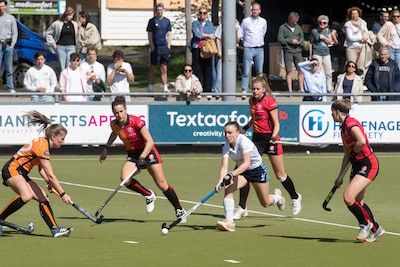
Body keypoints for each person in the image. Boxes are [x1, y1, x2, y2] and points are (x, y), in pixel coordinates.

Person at [99, 95, 186, 220]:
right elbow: (115, 133)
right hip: (133, 154)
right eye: (116, 113)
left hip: (147, 151)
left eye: (121, 111)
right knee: (125, 179)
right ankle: (149, 195)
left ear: (126, 109)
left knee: (161, 184)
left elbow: (150, 141)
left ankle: (179, 209)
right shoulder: (114, 124)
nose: (119, 115)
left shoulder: (136, 121)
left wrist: (142, 158)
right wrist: (106, 147)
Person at [235, 77, 302, 220]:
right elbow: (254, 118)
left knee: (280, 174)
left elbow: (277, 123)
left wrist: (273, 136)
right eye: (253, 89)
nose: (255, 91)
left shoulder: (270, 102)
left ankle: (295, 197)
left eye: (258, 89)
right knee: (245, 170)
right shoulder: (252, 101)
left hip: (271, 138)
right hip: (257, 139)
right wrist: (245, 128)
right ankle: (242, 207)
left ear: (264, 89)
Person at [0, 110, 73, 237]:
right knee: (26, 195)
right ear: (53, 137)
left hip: (21, 173)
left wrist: (48, 183)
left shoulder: (44, 145)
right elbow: (51, 175)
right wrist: (63, 194)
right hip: (12, 169)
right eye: (62, 139)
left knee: (43, 197)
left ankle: (55, 229)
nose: (63, 141)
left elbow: (41, 169)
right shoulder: (42, 146)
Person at [215, 121, 285, 232]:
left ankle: (278, 198)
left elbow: (247, 163)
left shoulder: (244, 142)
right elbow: (224, 167)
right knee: (228, 187)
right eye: (225, 133)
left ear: (237, 132)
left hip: (257, 171)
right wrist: (220, 181)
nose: (227, 135)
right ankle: (229, 223)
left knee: (265, 202)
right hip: (243, 172)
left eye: (230, 132)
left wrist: (232, 174)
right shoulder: (226, 147)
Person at [331, 99, 384, 243]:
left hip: (368, 163)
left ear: (337, 112)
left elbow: (361, 141)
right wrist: (340, 176)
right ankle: (376, 230)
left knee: (348, 197)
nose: (331, 115)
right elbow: (347, 154)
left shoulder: (350, 123)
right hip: (357, 165)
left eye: (332, 112)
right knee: (358, 201)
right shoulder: (343, 129)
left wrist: (355, 151)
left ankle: (365, 224)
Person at [240, 2, 267, 96]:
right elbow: (241, 34)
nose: (255, 11)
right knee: (246, 71)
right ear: (251, 10)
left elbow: (263, 33)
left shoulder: (263, 21)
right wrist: (246, 43)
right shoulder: (245, 21)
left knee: (259, 71)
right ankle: (244, 90)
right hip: (248, 48)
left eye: (256, 9)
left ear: (259, 11)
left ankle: (260, 90)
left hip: (259, 49)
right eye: (253, 9)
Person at [146, 3, 172, 93]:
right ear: (155, 10)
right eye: (158, 10)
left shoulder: (167, 21)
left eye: (161, 9)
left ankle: (165, 87)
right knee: (152, 67)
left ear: (163, 10)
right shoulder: (152, 21)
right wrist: (151, 45)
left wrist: (169, 45)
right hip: (155, 47)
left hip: (164, 47)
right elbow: (150, 34)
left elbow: (169, 33)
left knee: (164, 67)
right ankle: (150, 86)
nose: (159, 11)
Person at [277, 12, 305, 93]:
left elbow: (302, 38)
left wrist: (301, 42)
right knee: (289, 71)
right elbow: (279, 39)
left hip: (298, 51)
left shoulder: (298, 27)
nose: (295, 23)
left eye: (296, 21)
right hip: (288, 51)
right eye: (293, 21)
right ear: (290, 20)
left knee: (301, 70)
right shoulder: (283, 27)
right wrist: (290, 41)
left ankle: (301, 89)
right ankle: (290, 90)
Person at [215, 19, 241, 99]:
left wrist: (236, 31)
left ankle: (231, 92)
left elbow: (237, 40)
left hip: (231, 52)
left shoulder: (237, 26)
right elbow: (217, 38)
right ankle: (217, 92)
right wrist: (219, 51)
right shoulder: (222, 25)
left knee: (231, 73)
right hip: (222, 50)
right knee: (219, 73)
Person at [191, 6, 215, 94]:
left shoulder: (209, 24)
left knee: (207, 69)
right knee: (197, 69)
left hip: (207, 49)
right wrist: (207, 35)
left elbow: (212, 33)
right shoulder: (195, 23)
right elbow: (197, 34)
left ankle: (207, 90)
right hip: (197, 48)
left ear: (207, 14)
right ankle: (197, 89)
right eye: (201, 13)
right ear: (198, 14)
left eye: (204, 13)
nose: (202, 15)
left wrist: (204, 35)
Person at [46, 6, 78, 71]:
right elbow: (48, 34)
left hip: (71, 46)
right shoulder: (57, 23)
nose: (71, 17)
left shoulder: (75, 24)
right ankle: (62, 79)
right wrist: (53, 44)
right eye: (70, 15)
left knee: (70, 65)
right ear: (66, 14)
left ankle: (69, 79)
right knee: (62, 66)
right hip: (61, 47)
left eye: (72, 15)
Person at [311, 15, 337, 93]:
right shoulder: (314, 30)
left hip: (326, 53)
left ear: (327, 24)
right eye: (320, 22)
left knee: (328, 71)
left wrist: (331, 36)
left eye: (324, 23)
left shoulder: (329, 31)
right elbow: (318, 37)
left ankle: (329, 88)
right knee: (317, 71)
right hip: (317, 52)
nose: (322, 24)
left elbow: (333, 42)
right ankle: (317, 88)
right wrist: (327, 38)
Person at [343, 7, 370, 75]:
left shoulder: (363, 22)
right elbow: (350, 37)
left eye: (356, 13)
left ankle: (359, 82)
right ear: (350, 15)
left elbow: (367, 32)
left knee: (360, 67)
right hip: (351, 48)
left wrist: (366, 37)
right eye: (352, 14)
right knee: (351, 66)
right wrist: (360, 38)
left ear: (359, 14)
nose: (354, 15)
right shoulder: (348, 24)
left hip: (362, 47)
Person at [0, 0, 17, 93]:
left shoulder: (11, 18)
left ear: (5, 7)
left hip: (8, 45)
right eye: (0, 6)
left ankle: (10, 88)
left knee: (9, 68)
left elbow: (15, 32)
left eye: (2, 6)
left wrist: (12, 44)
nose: (1, 8)